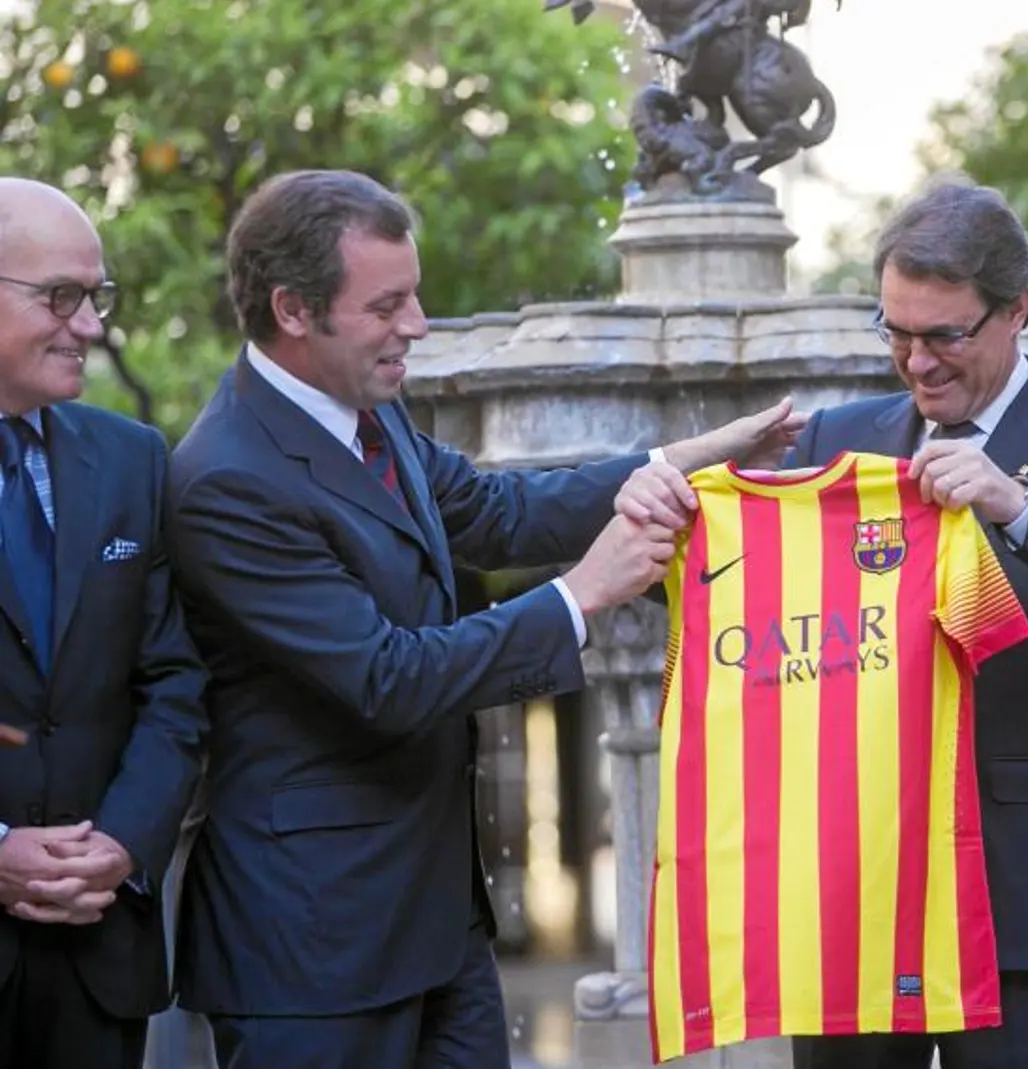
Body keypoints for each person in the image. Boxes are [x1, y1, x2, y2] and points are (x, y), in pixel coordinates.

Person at [163, 169, 802, 1069]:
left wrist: (693, 458)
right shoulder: (227, 479)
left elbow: (503, 511)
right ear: (294, 311)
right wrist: (583, 593)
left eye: (413, 296)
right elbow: (387, 679)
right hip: (310, 949)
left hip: (436, 924)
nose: (416, 325)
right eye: (387, 305)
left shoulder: (372, 414)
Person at [616, 177, 1028, 1068]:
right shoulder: (833, 441)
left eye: (945, 334)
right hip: (850, 888)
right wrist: (660, 518)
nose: (918, 361)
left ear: (1017, 310)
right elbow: (739, 599)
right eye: (898, 332)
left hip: (1020, 887)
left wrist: (1017, 503)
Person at [0, 178, 209, 1069]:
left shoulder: (134, 460)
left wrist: (122, 844)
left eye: (97, 297)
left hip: (100, 955)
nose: (90, 325)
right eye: (61, 297)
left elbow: (176, 683)